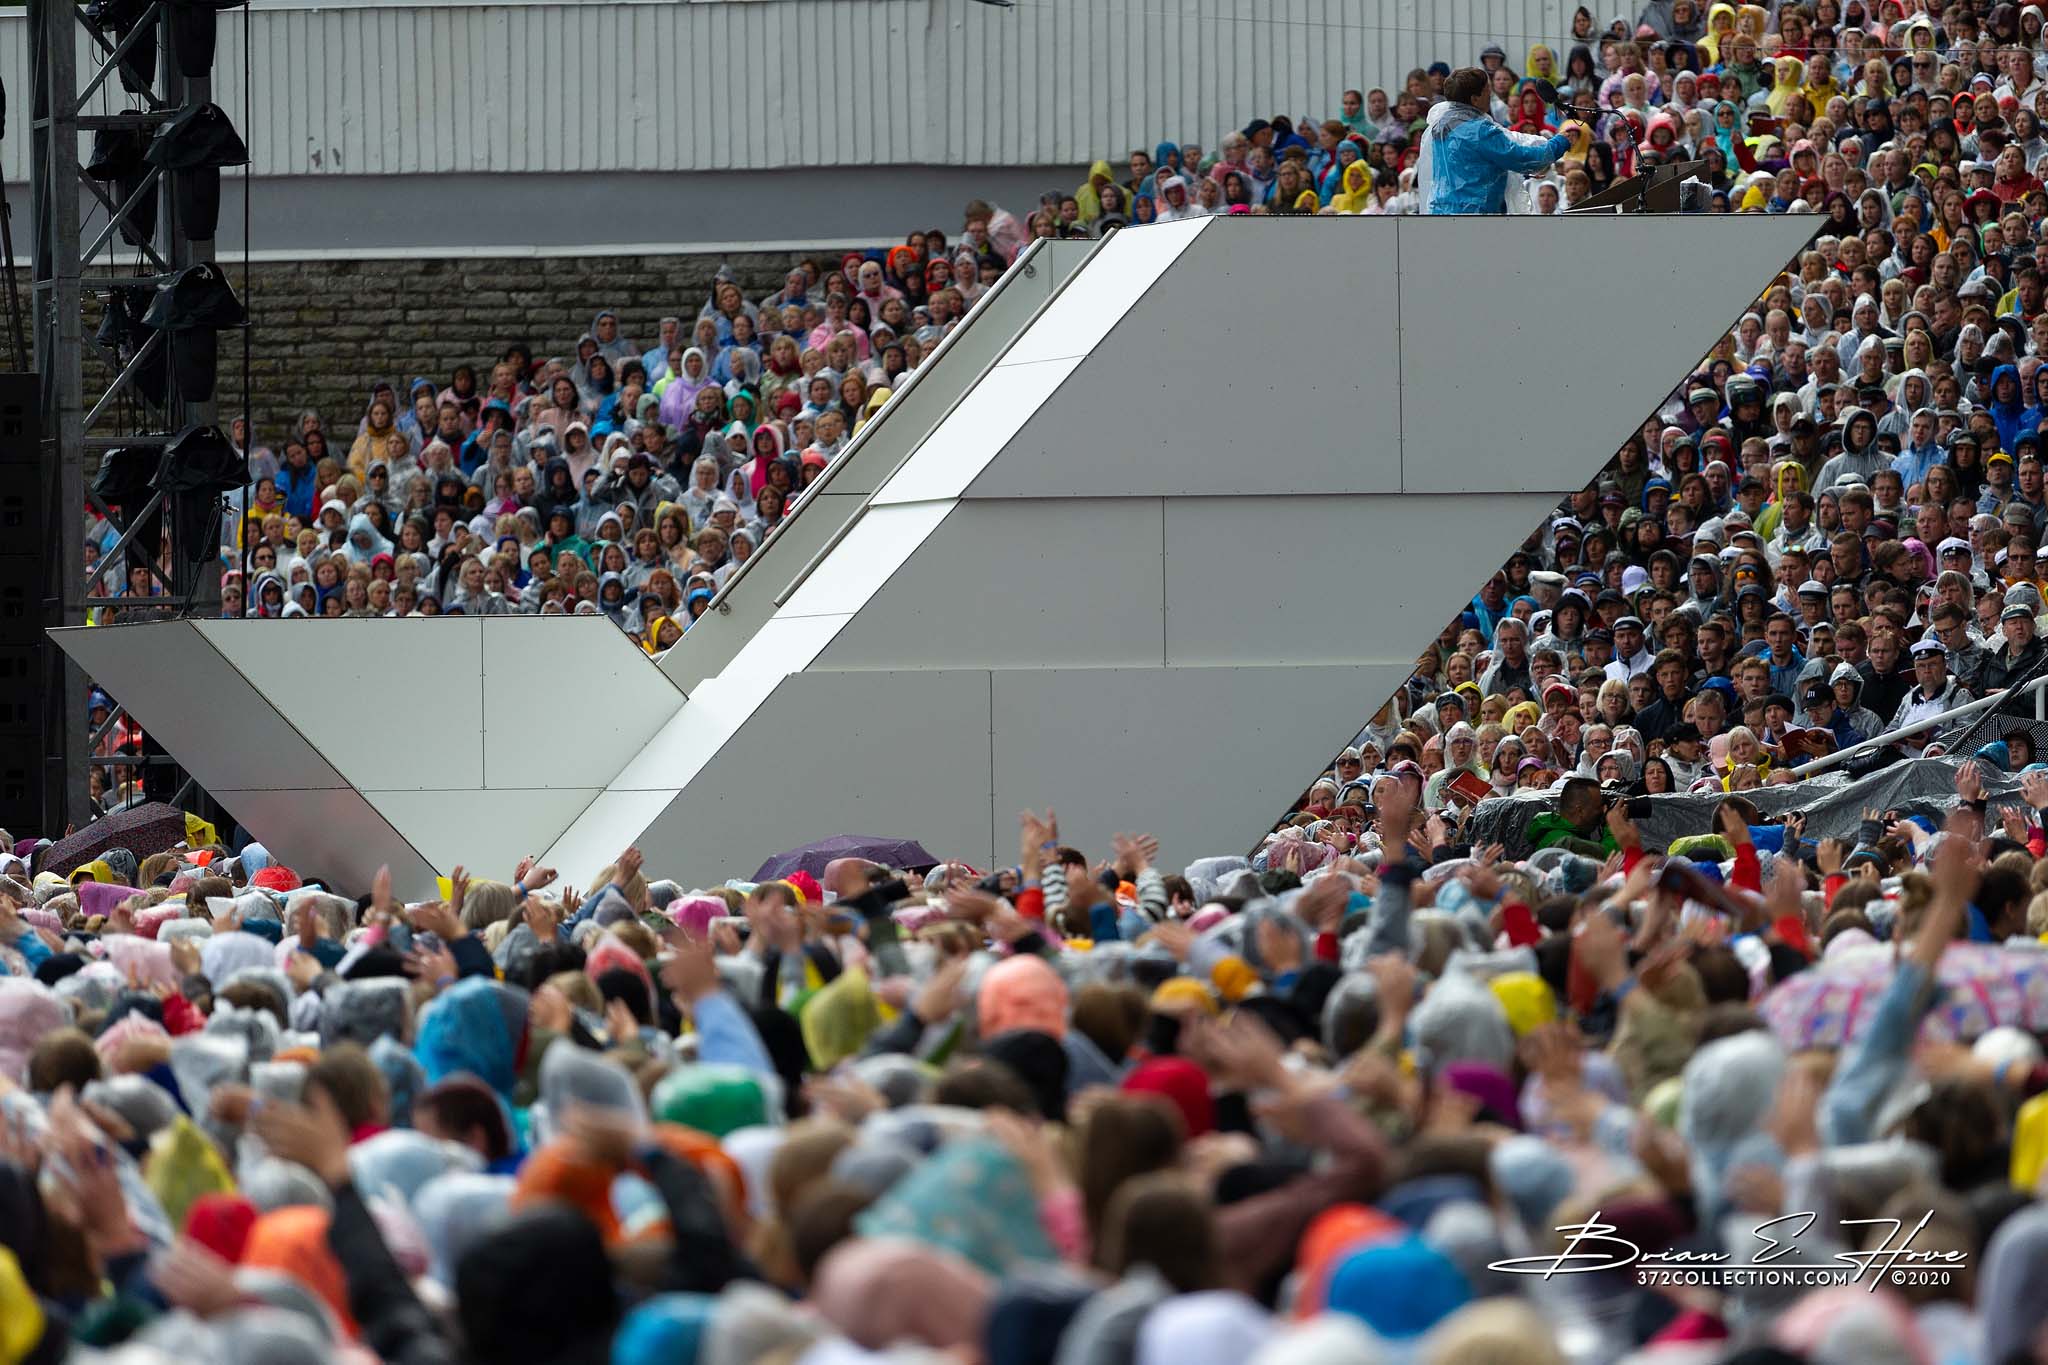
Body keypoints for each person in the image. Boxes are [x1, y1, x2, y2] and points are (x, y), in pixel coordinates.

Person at [1423, 67, 1582, 213]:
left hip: (1441, 212)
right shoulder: (1479, 130)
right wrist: (1559, 143)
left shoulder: (1442, 127)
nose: (1490, 95)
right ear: (1474, 99)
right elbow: (1520, 157)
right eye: (1487, 91)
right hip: (1475, 216)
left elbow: (1475, 165)